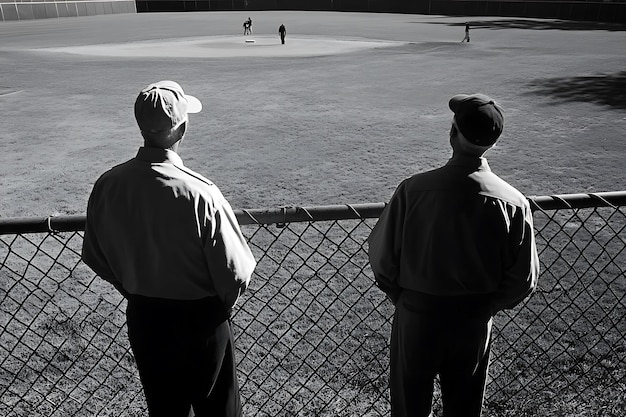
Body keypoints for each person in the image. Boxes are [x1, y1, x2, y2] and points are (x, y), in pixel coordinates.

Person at [82, 80, 257, 417]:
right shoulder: (201, 193)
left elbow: (95, 255)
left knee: (165, 411)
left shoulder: (108, 185)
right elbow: (235, 275)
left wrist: (130, 287)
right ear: (182, 129)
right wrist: (213, 308)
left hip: (146, 318)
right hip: (202, 321)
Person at [368, 93, 539, 417]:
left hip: (418, 314)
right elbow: (523, 279)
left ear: (452, 133)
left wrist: (404, 297)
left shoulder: (413, 189)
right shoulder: (513, 202)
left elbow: (382, 260)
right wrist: (485, 305)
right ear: (492, 141)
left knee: (409, 406)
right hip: (473, 319)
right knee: (464, 408)